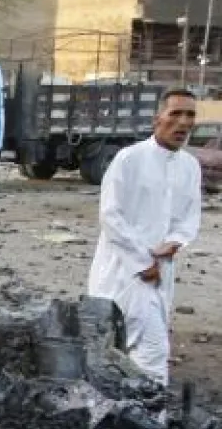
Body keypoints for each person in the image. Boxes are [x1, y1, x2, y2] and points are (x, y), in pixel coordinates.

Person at [86, 88, 202, 385]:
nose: (183, 122)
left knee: (149, 353)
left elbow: (189, 219)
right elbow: (110, 215)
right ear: (157, 119)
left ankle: (145, 409)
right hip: (121, 272)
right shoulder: (129, 159)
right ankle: (140, 409)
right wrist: (142, 261)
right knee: (113, 351)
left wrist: (174, 243)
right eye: (176, 114)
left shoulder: (190, 166)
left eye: (190, 115)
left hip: (159, 274)